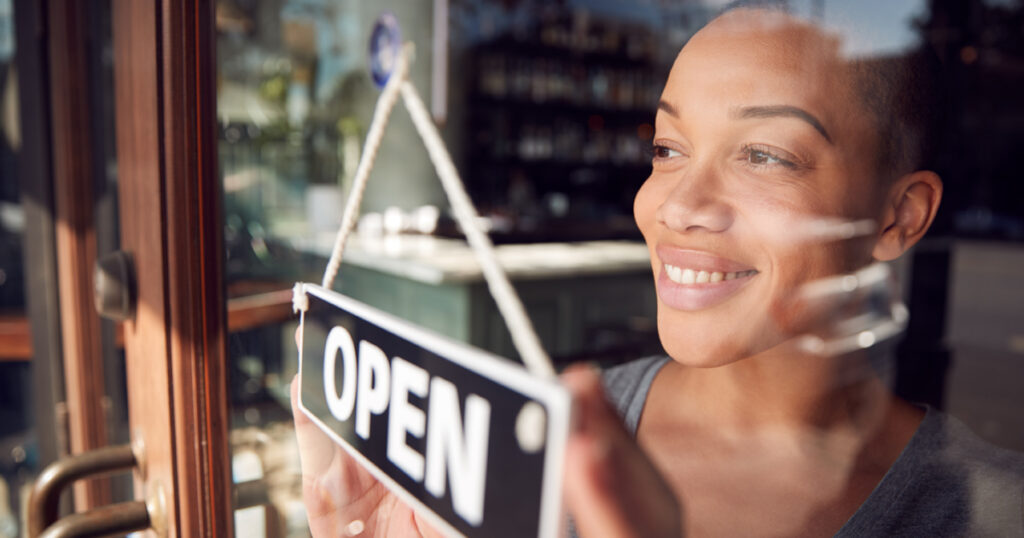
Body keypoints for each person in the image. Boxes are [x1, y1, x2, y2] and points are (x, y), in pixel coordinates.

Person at [292, 6, 1024, 537]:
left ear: (898, 216)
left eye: (763, 155)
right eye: (668, 149)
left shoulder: (989, 511)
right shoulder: (544, 437)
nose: (676, 206)